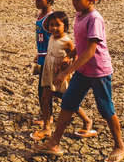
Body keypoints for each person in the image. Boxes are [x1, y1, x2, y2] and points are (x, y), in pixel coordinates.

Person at [36, 0, 124, 162]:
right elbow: (81, 44)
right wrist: (70, 54)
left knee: (105, 108)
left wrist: (66, 71)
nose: (74, 1)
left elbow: (91, 50)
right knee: (68, 102)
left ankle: (120, 146)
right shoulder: (79, 15)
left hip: (98, 71)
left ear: (91, 0)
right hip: (83, 69)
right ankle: (54, 143)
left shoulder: (95, 18)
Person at [30, 11, 95, 141]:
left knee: (68, 100)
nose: (53, 28)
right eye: (51, 25)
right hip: (49, 72)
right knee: (45, 97)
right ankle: (47, 128)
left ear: (65, 26)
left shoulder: (67, 41)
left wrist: (66, 66)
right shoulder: (51, 37)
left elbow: (74, 56)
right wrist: (40, 56)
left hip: (59, 74)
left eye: (57, 25)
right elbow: (50, 51)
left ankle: (87, 121)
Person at [30, 0, 56, 124]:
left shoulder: (51, 19)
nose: (37, 1)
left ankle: (48, 117)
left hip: (49, 59)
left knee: (45, 90)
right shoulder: (41, 15)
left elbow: (54, 39)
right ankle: (46, 115)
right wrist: (38, 53)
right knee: (43, 89)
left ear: (50, 1)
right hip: (42, 57)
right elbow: (42, 40)